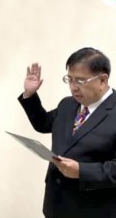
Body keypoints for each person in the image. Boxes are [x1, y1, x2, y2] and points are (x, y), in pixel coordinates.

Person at [18, 47, 116, 217]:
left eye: (80, 81)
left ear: (102, 80)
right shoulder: (68, 104)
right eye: (69, 79)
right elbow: (43, 123)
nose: (73, 87)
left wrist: (81, 170)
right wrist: (30, 94)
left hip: (93, 210)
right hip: (56, 205)